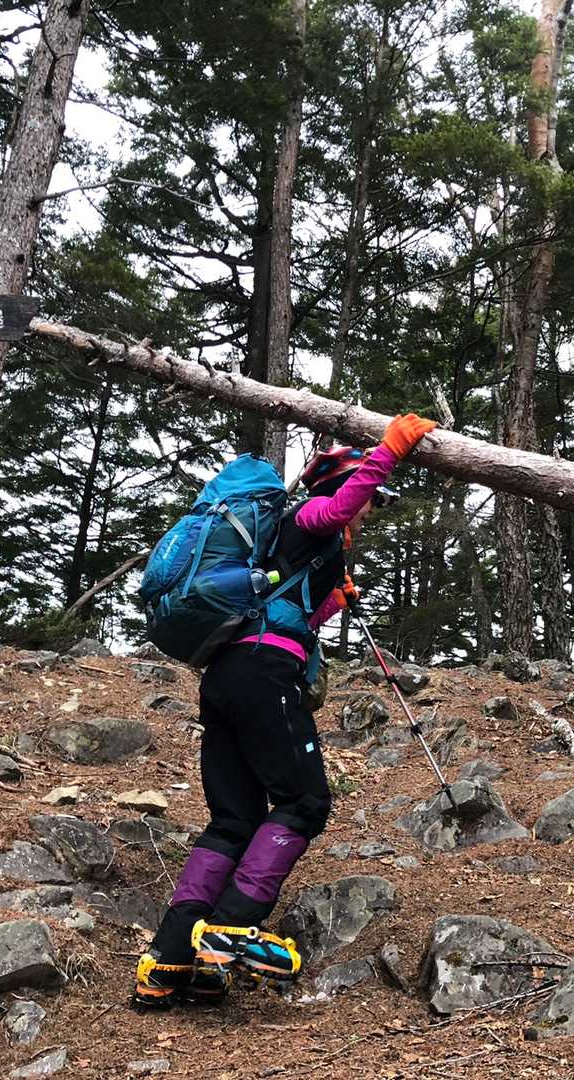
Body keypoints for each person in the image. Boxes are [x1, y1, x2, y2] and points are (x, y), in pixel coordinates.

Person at [133, 413, 438, 1008]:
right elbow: (337, 506)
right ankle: (228, 929)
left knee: (233, 820)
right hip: (264, 676)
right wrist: (389, 452)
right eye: (368, 501)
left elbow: (282, 615)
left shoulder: (291, 548)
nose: (367, 513)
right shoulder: (307, 518)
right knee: (304, 802)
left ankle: (168, 961)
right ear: (345, 489)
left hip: (227, 677)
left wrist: (330, 602)